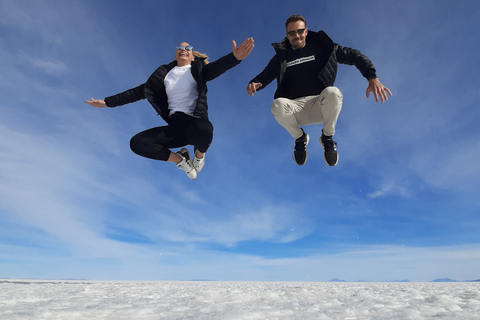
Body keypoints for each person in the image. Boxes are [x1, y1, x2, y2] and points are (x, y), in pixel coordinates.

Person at [86, 38, 254, 180]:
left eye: (187, 48)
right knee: (137, 143)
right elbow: (137, 92)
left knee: (205, 128)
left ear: (193, 56)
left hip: (195, 124)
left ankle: (199, 157)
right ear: (175, 54)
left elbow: (218, 67)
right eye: (179, 48)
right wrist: (107, 102)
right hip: (175, 129)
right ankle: (180, 160)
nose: (183, 49)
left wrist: (235, 57)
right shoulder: (163, 75)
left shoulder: (199, 70)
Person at [246, 15, 392, 167]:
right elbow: (265, 75)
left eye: (300, 31)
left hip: (320, 106)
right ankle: (300, 138)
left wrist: (372, 77)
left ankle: (327, 138)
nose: (297, 35)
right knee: (277, 105)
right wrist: (254, 84)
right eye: (292, 33)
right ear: (287, 35)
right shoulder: (281, 57)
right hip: (296, 110)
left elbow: (353, 55)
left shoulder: (322, 47)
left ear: (306, 31)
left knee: (333, 93)